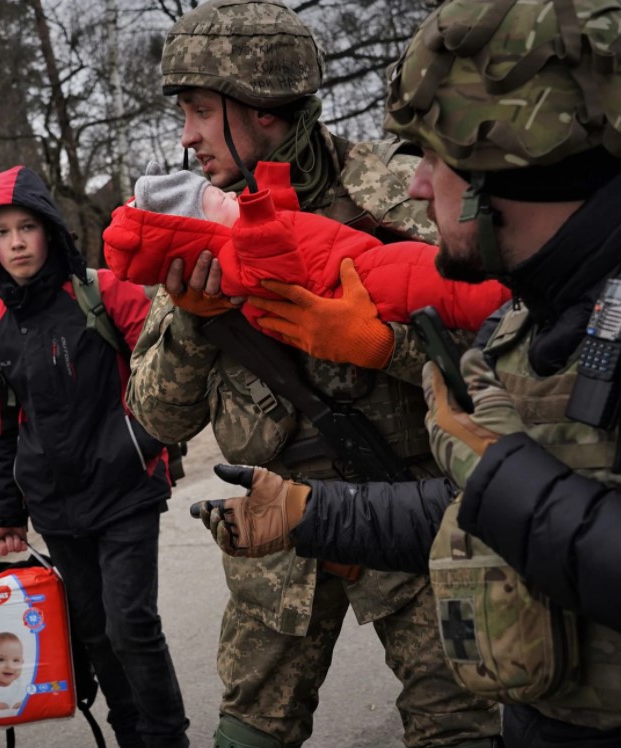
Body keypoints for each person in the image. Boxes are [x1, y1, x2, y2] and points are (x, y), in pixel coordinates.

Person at [202, 0, 621, 745]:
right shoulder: (534, 320)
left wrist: (494, 468)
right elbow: (484, 509)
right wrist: (307, 514)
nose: (421, 187)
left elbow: (501, 490)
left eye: (435, 158)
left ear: (505, 163)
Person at [124, 1, 503, 747]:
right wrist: (195, 322)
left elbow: (505, 361)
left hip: (412, 518)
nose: (186, 136)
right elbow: (156, 416)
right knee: (247, 736)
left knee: (460, 731)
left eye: (201, 110)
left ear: (261, 106)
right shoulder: (193, 223)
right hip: (273, 537)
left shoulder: (399, 195)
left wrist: (380, 348)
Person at [0, 164, 190, 748]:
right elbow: (1, 430)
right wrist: (9, 513)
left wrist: (148, 444)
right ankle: (131, 736)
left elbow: (165, 372)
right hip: (58, 507)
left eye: (26, 227)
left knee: (130, 624)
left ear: (49, 230)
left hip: (125, 491)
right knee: (94, 631)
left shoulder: (101, 292)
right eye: (0, 233)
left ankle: (168, 738)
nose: (16, 242)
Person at [103, 160, 509, 345]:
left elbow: (285, 215)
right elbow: (270, 271)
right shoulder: (235, 258)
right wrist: (258, 210)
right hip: (357, 284)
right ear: (200, 233)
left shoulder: (244, 233)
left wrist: (271, 180)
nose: (231, 197)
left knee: (434, 275)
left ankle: (514, 305)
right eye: (217, 203)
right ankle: (512, 309)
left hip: (360, 262)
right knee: (449, 290)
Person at [0, 632, 26, 711]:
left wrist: (24, 703)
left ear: (22, 663)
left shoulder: (21, 683)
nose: (9, 666)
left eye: (16, 660)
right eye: (1, 659)